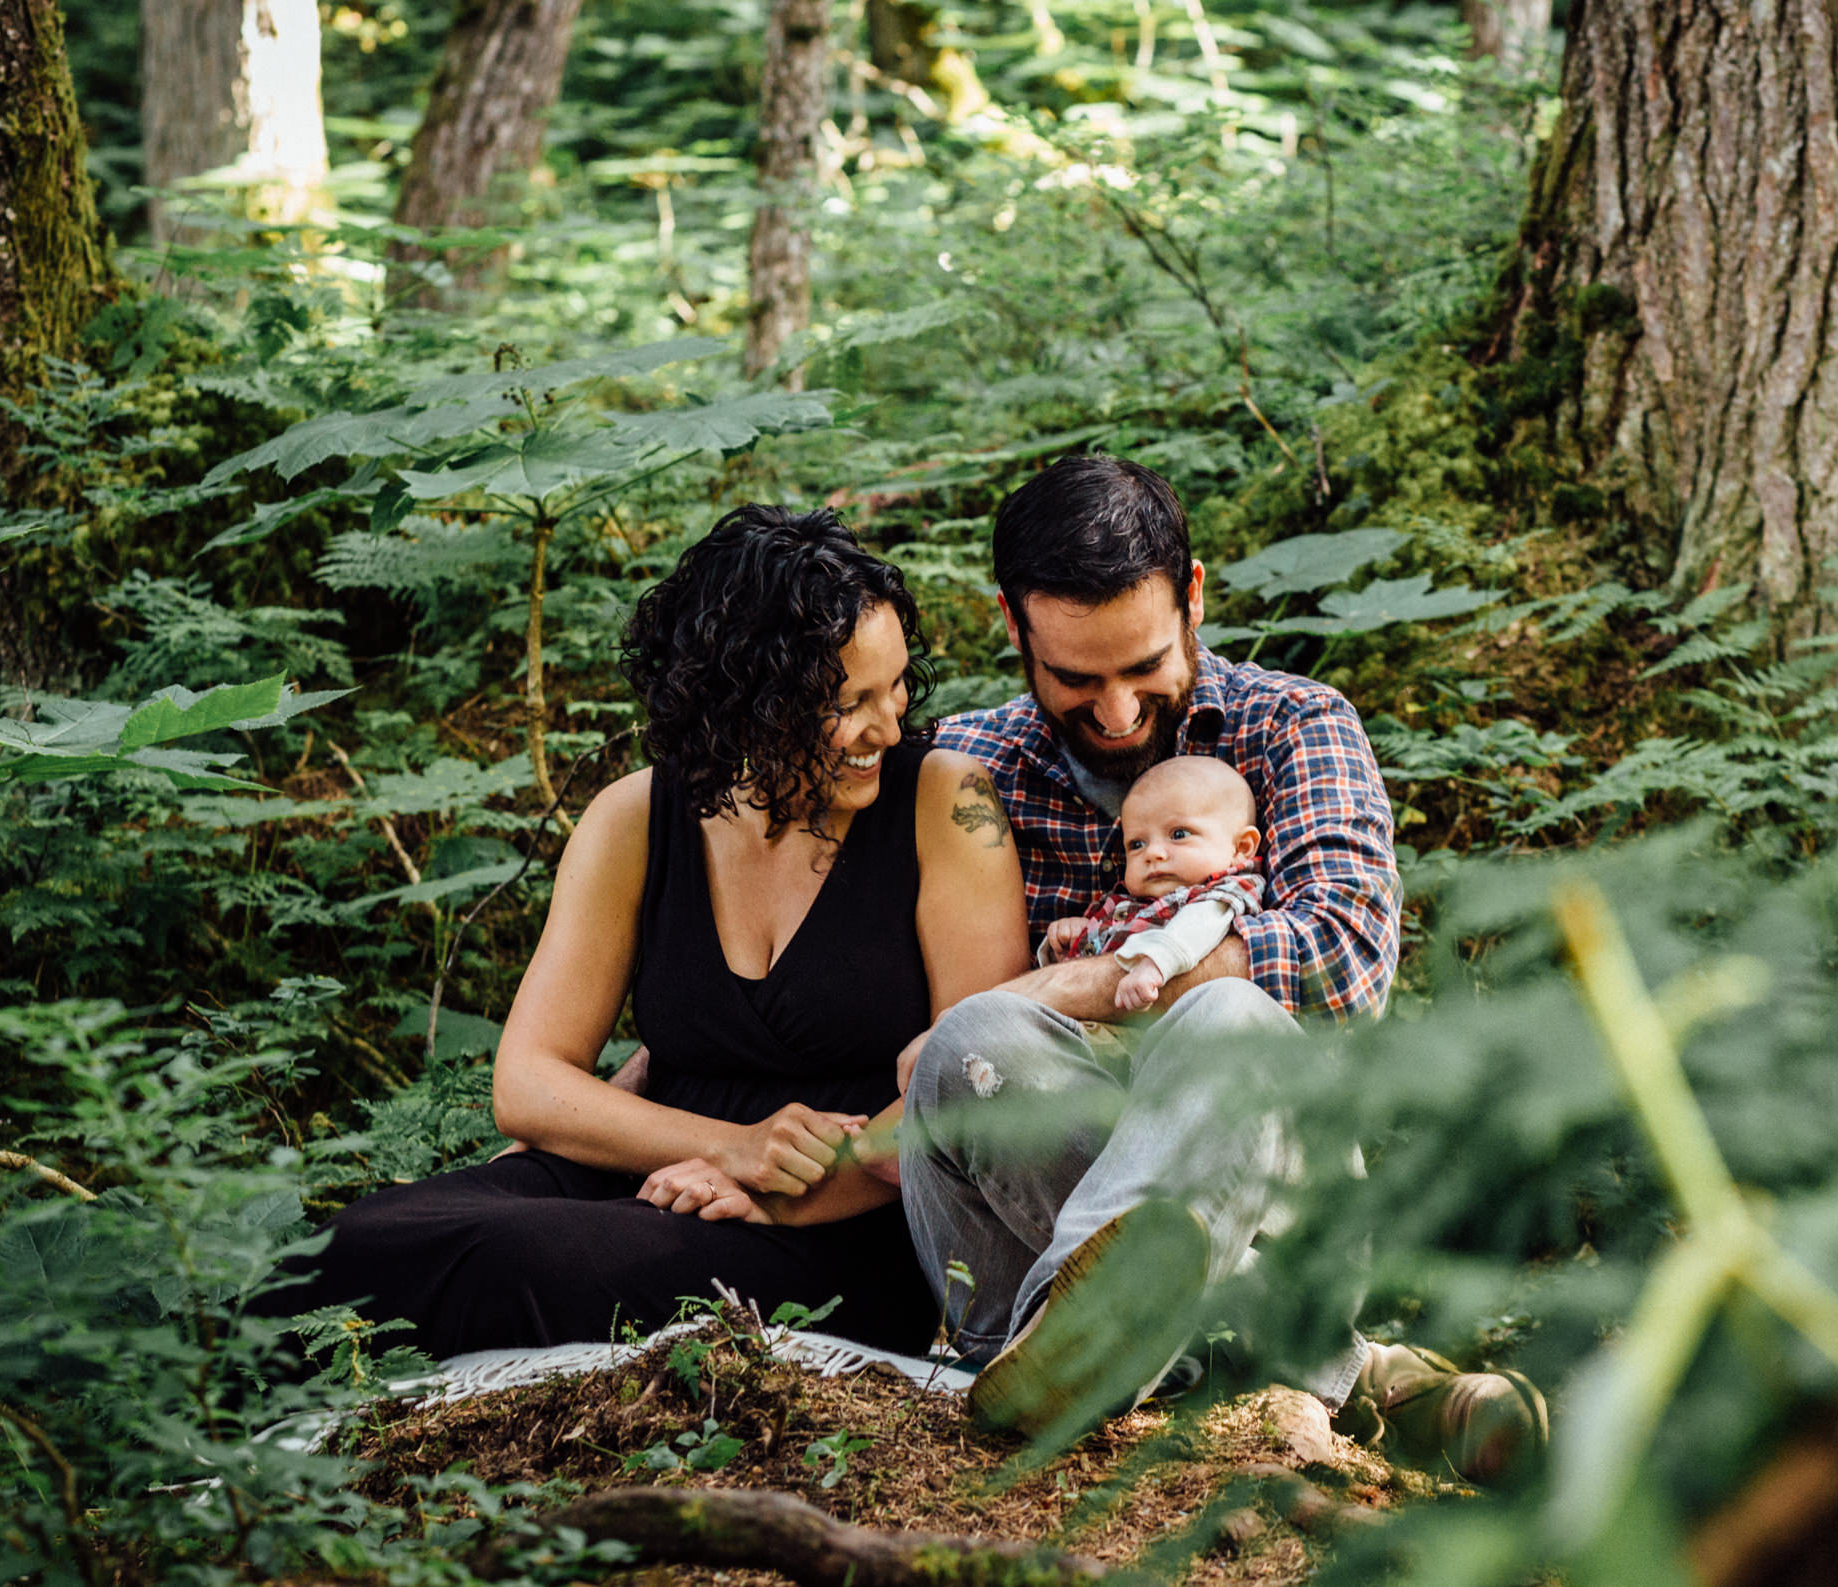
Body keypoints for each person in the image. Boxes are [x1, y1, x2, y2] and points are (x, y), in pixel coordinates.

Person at [261, 506, 1030, 1358]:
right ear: (749, 704)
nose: (887, 728)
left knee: (524, 1262)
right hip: (658, 1160)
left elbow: (974, 1091)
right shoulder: (635, 817)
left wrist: (775, 1189)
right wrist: (730, 1147)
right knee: (345, 1248)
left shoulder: (948, 805)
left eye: (895, 689)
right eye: (849, 703)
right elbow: (528, 1083)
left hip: (839, 1219)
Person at [903, 455, 1544, 1477]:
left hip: (1271, 1171)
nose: (1115, 712)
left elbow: (1340, 963)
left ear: (1193, 594)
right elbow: (849, 982)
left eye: (1142, 665)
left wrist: (1078, 983)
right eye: (1075, 677)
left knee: (1230, 1019)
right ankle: (1335, 1374)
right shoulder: (964, 765)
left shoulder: (1293, 726)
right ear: (1012, 625)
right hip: (1026, 1198)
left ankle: (1091, 1348)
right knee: (971, 1039)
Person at [1037, 755, 1264, 1015]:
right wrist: (1078, 937)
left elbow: (1199, 927)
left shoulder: (1223, 893)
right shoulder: (1127, 901)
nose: (1152, 853)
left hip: (1158, 1024)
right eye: (1137, 844)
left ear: (1241, 847)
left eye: (1179, 834)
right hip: (1089, 1022)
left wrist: (1154, 966)